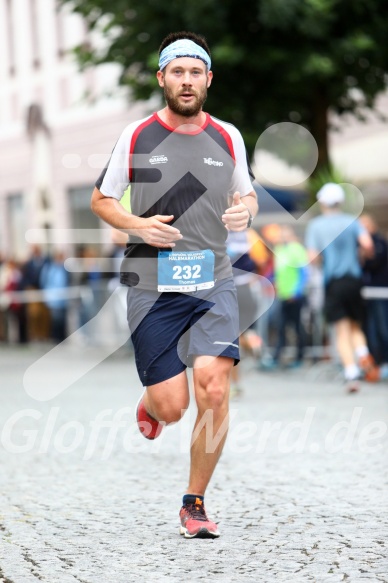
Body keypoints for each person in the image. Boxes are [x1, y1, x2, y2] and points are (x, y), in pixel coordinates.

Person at [90, 31, 258, 539]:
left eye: (195, 72)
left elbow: (246, 197)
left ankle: (195, 503)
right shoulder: (138, 136)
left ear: (209, 79)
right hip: (151, 283)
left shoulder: (227, 136)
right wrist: (139, 225)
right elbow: (102, 199)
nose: (187, 81)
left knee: (213, 386)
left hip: (214, 281)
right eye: (177, 72)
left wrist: (242, 213)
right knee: (173, 406)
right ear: (162, 78)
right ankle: (152, 403)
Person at [305, 183, 379, 392]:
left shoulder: (316, 226)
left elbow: (312, 257)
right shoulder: (352, 221)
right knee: (356, 325)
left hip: (334, 282)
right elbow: (367, 245)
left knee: (341, 330)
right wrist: (360, 259)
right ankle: (363, 352)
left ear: (322, 202)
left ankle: (351, 373)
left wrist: (323, 262)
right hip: (355, 281)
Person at [226, 228, 266, 396]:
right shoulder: (249, 234)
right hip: (247, 288)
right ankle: (252, 341)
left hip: (227, 288)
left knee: (230, 336)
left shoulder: (216, 231)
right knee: (242, 330)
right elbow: (262, 259)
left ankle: (235, 383)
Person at [264, 225, 308, 369]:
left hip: (295, 296)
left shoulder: (297, 249)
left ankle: (300, 357)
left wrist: (296, 291)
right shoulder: (279, 250)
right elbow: (276, 272)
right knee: (281, 326)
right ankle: (277, 357)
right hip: (283, 295)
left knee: (296, 327)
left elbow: (303, 272)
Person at [359, 214, 388, 367]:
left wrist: (364, 256)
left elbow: (373, 262)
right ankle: (375, 363)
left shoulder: (379, 243)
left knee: (383, 328)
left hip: (380, 293)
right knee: (370, 329)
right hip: (366, 294)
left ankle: (385, 361)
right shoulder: (362, 245)